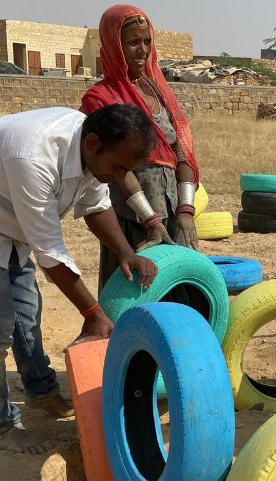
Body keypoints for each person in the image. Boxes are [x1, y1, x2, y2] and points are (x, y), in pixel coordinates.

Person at [0, 104, 159, 454]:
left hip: (4, 222)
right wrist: (92, 314)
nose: (122, 177)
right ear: (92, 143)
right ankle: (1, 425)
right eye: (119, 168)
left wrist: (125, 251)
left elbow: (95, 206)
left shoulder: (93, 152)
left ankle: (41, 391)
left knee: (27, 311)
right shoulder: (34, 156)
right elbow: (50, 254)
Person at [80, 4, 202, 293]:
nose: (143, 50)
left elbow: (180, 152)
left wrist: (185, 211)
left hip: (173, 209)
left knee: (181, 290)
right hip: (132, 216)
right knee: (135, 291)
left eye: (147, 41)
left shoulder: (159, 91)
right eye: (133, 43)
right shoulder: (101, 99)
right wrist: (150, 219)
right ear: (114, 46)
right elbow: (115, 168)